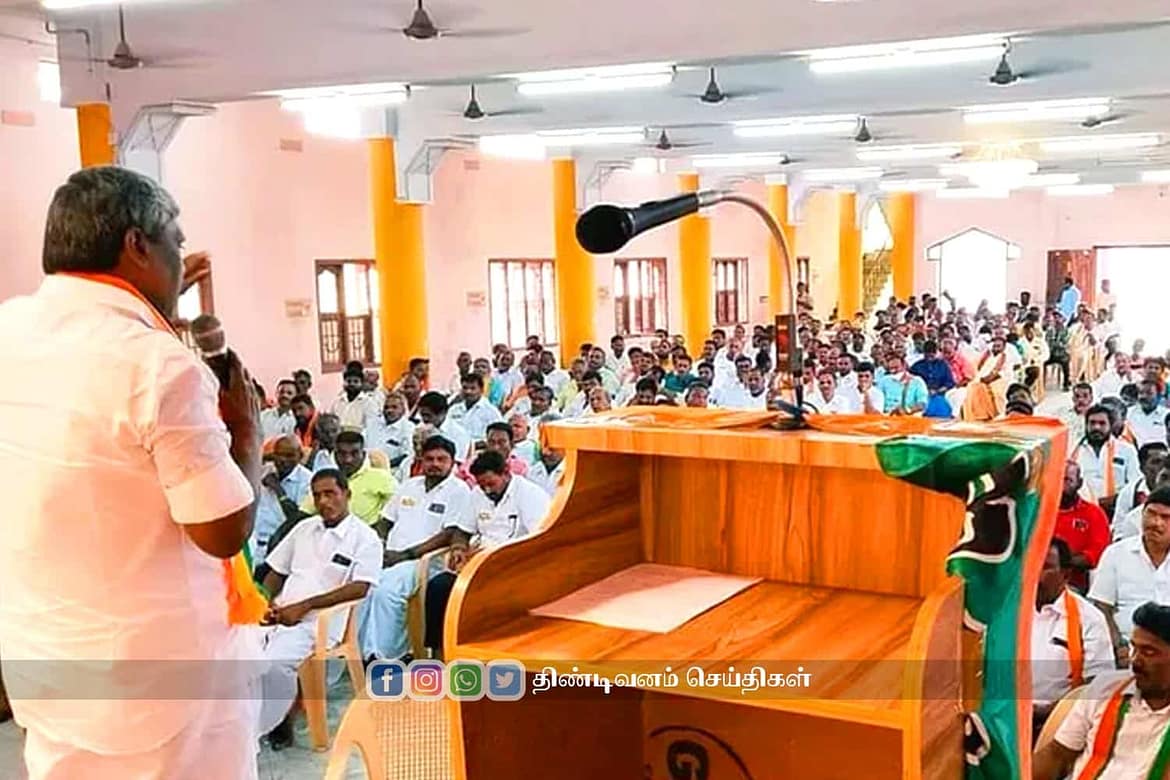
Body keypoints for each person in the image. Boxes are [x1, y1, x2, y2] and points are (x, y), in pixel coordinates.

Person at [0, 166, 263, 778]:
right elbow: (223, 531)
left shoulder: (10, 329)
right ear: (136, 245)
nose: (182, 262)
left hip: (48, 662)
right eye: (175, 242)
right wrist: (247, 436)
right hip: (163, 690)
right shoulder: (157, 365)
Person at [257, 468, 380, 749]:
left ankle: (279, 721)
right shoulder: (304, 528)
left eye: (330, 494)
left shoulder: (365, 537)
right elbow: (276, 572)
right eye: (317, 496)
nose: (324, 501)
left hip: (320, 623)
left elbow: (360, 587)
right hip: (280, 613)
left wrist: (305, 606)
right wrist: (262, 601)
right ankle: (238, 720)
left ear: (346, 494)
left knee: (274, 663)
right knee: (232, 649)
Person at [424, 450, 551, 656]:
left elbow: (539, 541)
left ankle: (488, 655)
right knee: (439, 586)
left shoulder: (530, 495)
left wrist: (494, 558)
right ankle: (440, 654)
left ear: (506, 473)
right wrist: (458, 548)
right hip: (476, 564)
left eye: (491, 484)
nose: (487, 490)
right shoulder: (478, 494)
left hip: (514, 566)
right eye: (482, 485)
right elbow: (461, 531)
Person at [358, 436, 472, 664]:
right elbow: (385, 521)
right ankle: (361, 652)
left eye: (441, 459)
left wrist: (406, 555)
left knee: (385, 592)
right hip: (390, 556)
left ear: (452, 462)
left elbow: (449, 534)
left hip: (424, 562)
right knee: (360, 588)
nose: (435, 464)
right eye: (430, 459)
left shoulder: (459, 491)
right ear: (421, 460)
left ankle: (390, 656)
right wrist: (377, 542)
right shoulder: (409, 485)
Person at [1032, 602, 1170, 780]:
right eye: (1134, 648)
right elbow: (1057, 754)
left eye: (1148, 652)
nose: (1134, 660)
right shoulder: (1105, 688)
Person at [1031, 538, 1115, 733]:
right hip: (1004, 719)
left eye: (1045, 567)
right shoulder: (1005, 614)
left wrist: (1050, 712)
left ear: (1066, 575)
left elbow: (1097, 684)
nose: (1034, 573)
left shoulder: (1089, 618)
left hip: (1060, 722)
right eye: (1031, 564)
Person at [1089, 486, 1170, 655]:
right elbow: (1101, 607)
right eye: (1151, 514)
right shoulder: (1116, 553)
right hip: (1129, 650)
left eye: (1165, 517)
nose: (1156, 523)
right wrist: (1118, 645)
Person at [301, 430, 396, 529]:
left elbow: (396, 511)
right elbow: (305, 511)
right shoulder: (327, 480)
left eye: (354, 453)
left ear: (363, 454)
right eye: (342, 454)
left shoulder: (381, 478)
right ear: (335, 455)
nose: (348, 460)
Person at [252, 434, 313, 568]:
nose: (283, 460)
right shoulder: (263, 471)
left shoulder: (307, 480)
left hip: (280, 549)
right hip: (254, 545)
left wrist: (278, 489)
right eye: (279, 455)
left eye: (289, 455)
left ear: (300, 456)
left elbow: (297, 518)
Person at [1054, 462, 1112, 593]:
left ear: (1079, 483)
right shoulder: (1039, 511)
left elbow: (1098, 553)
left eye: (1067, 480)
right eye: (1057, 479)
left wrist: (1063, 563)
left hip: (1077, 585)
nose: (1061, 485)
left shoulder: (1094, 513)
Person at [1075, 404, 1140, 507]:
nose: (1096, 427)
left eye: (1102, 423)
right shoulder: (1073, 450)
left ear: (1111, 425)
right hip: (1081, 508)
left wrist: (1115, 500)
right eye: (1092, 423)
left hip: (1117, 508)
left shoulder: (1126, 450)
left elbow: (1135, 484)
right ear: (1086, 425)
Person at [1114, 442, 1168, 528]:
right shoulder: (1129, 492)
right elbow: (1118, 528)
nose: (1162, 466)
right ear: (1142, 468)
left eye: (1165, 461)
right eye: (1156, 462)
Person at [963, 335, 1012, 422]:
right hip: (982, 380)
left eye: (998, 346)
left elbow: (1001, 373)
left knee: (995, 391)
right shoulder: (988, 356)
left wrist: (988, 379)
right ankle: (977, 415)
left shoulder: (1005, 358)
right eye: (994, 346)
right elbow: (978, 368)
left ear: (1003, 347)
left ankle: (997, 414)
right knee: (972, 387)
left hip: (999, 380)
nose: (995, 348)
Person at [416, 391, 472, 462]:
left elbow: (458, 461)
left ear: (442, 413)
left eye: (428, 415)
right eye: (422, 415)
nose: (424, 419)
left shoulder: (459, 434)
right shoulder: (420, 428)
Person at [365, 391, 416, 471]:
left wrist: (384, 465)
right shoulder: (372, 424)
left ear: (403, 410)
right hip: (367, 468)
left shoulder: (409, 428)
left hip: (393, 471)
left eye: (394, 407)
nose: (389, 410)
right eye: (386, 407)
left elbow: (406, 455)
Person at [448, 372, 503, 441]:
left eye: (473, 388)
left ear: (481, 390)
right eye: (465, 388)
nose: (468, 392)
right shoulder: (454, 409)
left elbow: (498, 435)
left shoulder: (491, 412)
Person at [909, 340, 955, 418]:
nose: (929, 359)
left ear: (936, 353)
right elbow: (910, 382)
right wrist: (924, 391)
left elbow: (949, 383)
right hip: (921, 396)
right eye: (927, 356)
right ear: (924, 353)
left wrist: (937, 391)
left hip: (940, 395)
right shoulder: (917, 366)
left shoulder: (942, 365)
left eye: (932, 356)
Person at [331, 363, 373, 431]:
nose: (352, 384)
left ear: (362, 383)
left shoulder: (368, 403)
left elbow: (370, 427)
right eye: (349, 381)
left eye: (356, 381)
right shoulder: (337, 403)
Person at [1128, 380, 1167, 448]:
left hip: (1161, 453)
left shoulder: (1166, 414)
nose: (1144, 396)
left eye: (1149, 393)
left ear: (1158, 396)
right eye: (1141, 393)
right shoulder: (1128, 413)